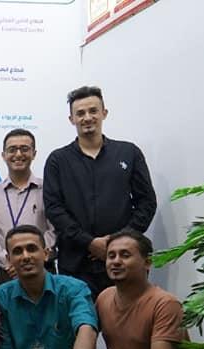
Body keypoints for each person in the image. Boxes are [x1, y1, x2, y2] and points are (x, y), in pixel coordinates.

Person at [44, 85, 157, 298]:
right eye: (80, 113)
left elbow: (146, 203)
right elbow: (54, 209)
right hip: (76, 264)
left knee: (127, 318)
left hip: (124, 261)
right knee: (81, 318)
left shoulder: (129, 153)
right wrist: (89, 242)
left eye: (93, 111)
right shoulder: (58, 160)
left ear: (104, 113)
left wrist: (116, 242)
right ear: (71, 119)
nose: (87, 117)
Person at [0, 129, 56, 284]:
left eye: (24, 149)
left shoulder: (48, 189)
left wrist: (38, 255)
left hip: (42, 268)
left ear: (34, 154)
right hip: (5, 271)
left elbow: (54, 229)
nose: (18, 154)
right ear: (3, 155)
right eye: (12, 150)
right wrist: (8, 261)